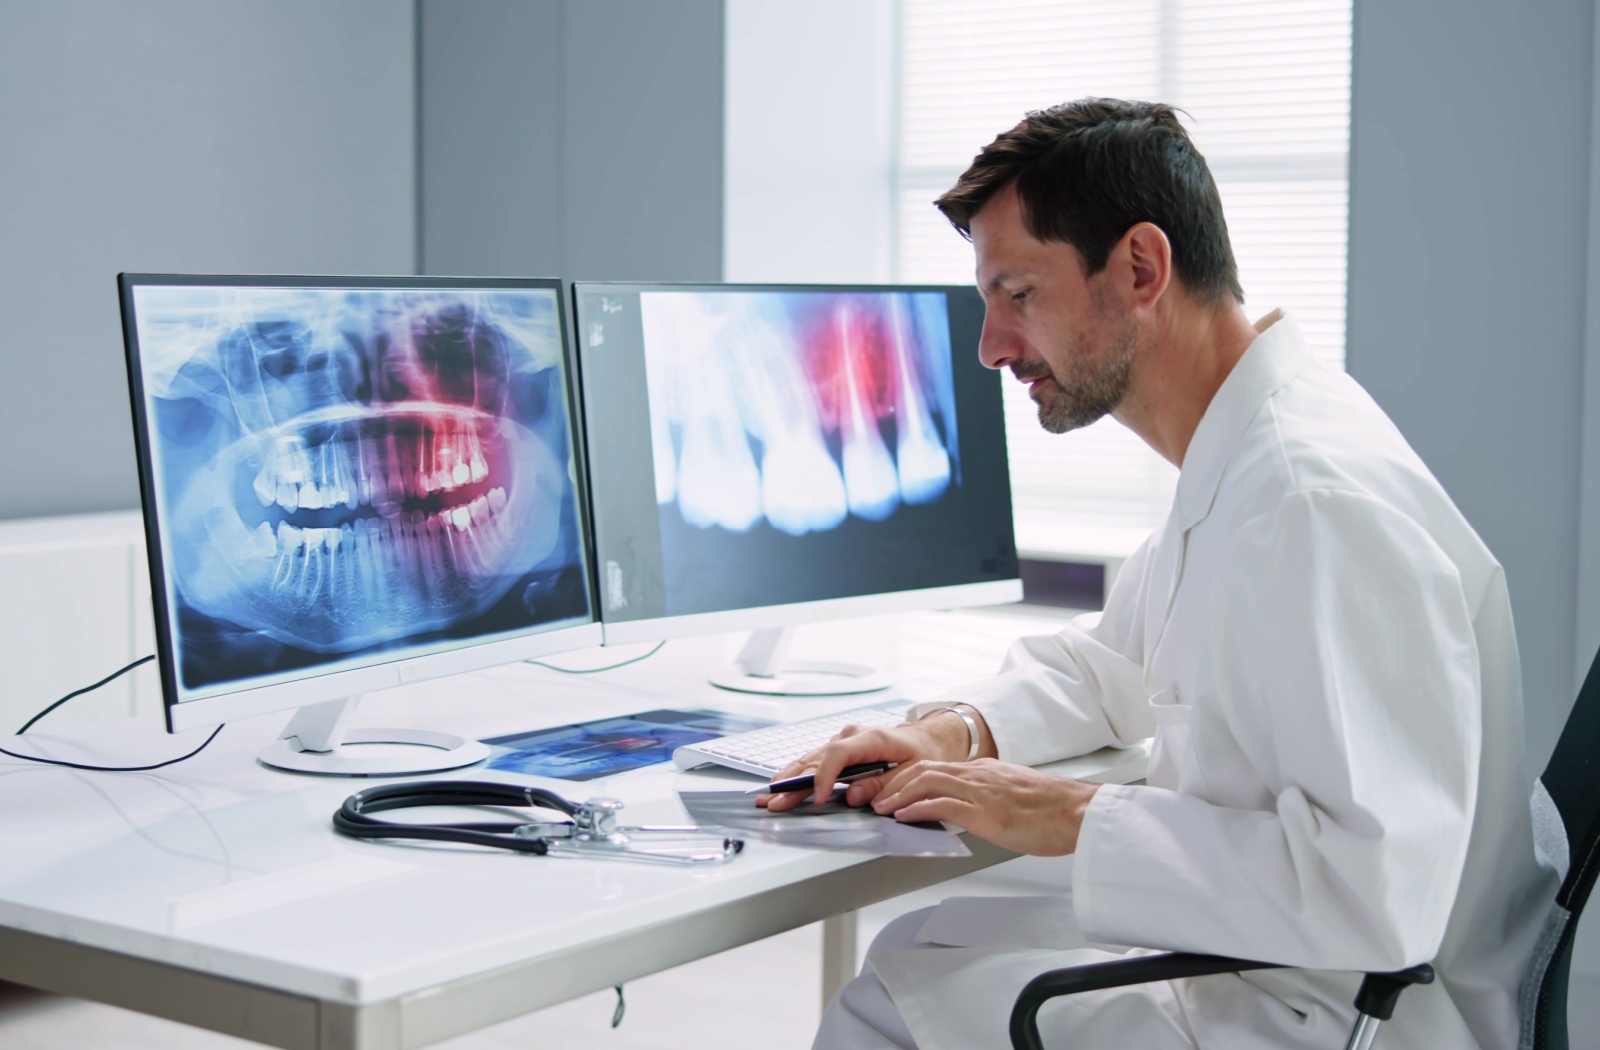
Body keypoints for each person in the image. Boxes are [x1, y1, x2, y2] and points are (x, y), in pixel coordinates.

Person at [761, 98, 1561, 1049]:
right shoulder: (1245, 453)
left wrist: (1073, 813)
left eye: (1019, 294)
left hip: (1349, 1010)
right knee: (925, 944)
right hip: (1292, 964)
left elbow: (1376, 894)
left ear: (1141, 266)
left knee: (890, 1009)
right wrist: (950, 728)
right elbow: (1119, 667)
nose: (991, 347)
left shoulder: (1311, 500)